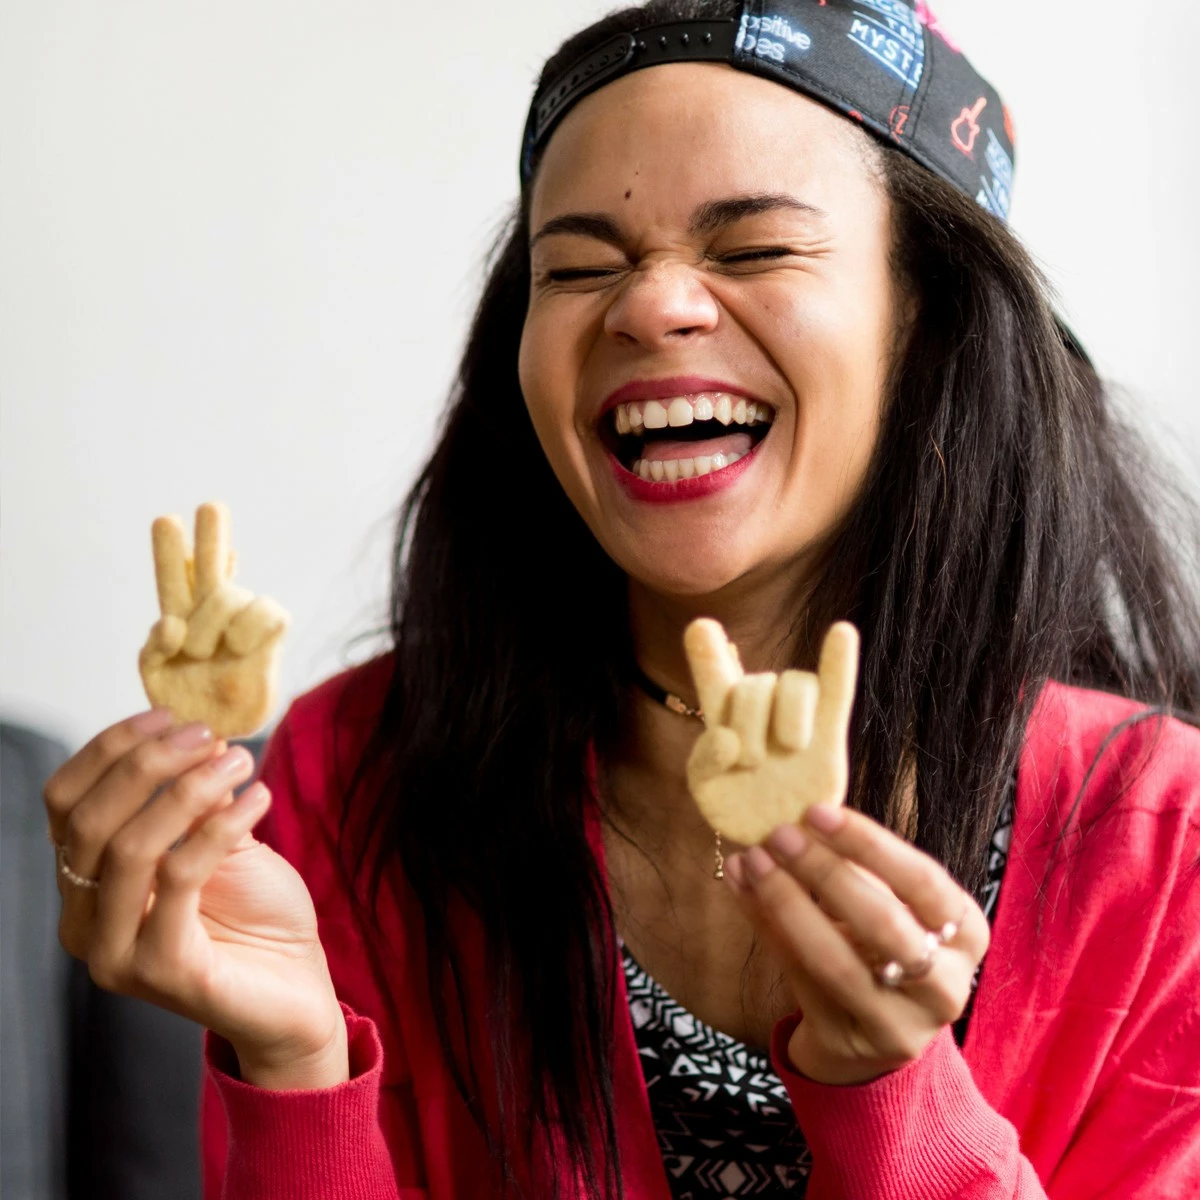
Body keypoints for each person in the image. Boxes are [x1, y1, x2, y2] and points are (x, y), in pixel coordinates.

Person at [43, 2, 1200, 1197]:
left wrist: (893, 1096)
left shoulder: (1167, 838)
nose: (650, 307)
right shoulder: (350, 775)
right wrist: (297, 1065)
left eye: (754, 249)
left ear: (929, 321)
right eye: (581, 268)